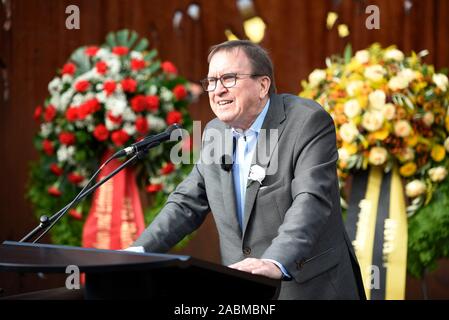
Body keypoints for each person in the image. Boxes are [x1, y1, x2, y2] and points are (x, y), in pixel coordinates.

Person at [131, 40, 366, 299]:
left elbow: (311, 201)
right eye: (211, 81)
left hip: (309, 287)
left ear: (262, 85)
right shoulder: (215, 132)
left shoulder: (307, 121)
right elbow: (186, 203)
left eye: (228, 78)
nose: (217, 90)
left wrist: (275, 261)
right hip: (243, 289)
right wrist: (137, 253)